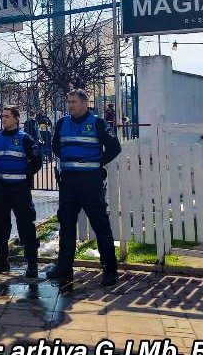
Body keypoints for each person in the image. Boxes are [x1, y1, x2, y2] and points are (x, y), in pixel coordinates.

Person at [46, 89, 121, 289]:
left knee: (100, 225)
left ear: (85, 103)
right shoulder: (62, 123)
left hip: (90, 183)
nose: (70, 105)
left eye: (74, 101)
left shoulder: (97, 123)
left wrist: (97, 163)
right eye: (68, 101)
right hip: (69, 182)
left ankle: (110, 270)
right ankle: (64, 268)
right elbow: (55, 147)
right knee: (66, 226)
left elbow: (115, 148)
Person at [0, 106, 43, 277]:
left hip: (20, 189)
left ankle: (32, 264)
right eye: (2, 116)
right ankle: (1, 262)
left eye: (7, 116)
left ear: (17, 119)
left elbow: (37, 160)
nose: (4, 119)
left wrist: (27, 174)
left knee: (26, 226)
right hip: (1, 188)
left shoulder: (25, 138)